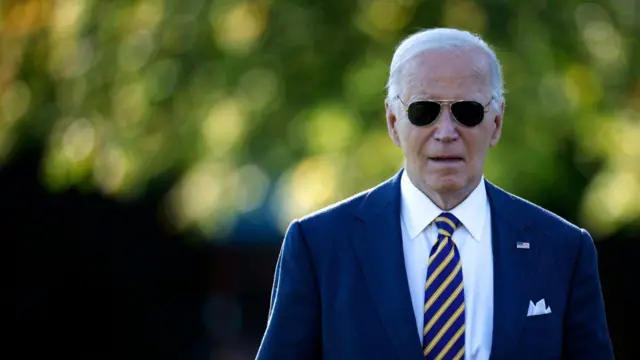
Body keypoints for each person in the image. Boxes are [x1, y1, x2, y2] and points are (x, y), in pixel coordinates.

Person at [255, 28, 614, 360]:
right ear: (394, 123)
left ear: (497, 123)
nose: (445, 132)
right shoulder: (319, 246)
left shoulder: (563, 249)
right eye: (423, 111)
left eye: (467, 112)